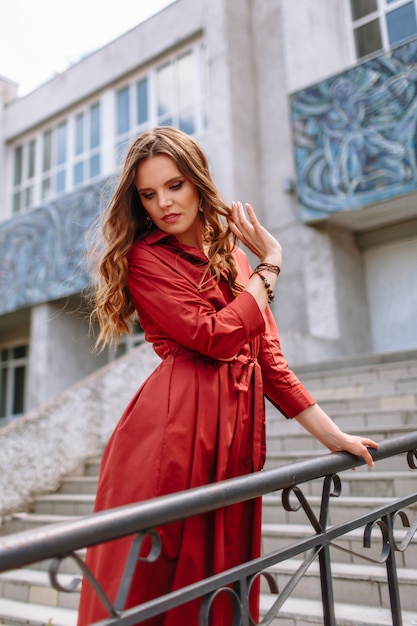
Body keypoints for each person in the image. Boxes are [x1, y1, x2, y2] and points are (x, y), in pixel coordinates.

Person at [77, 126, 378, 626]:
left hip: (231, 437)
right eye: (148, 195)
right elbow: (214, 336)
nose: (164, 204)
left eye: (175, 185)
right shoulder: (144, 258)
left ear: (197, 182)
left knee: (219, 587)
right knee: (155, 587)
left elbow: (269, 362)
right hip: (171, 435)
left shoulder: (237, 259)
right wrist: (272, 265)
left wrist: (334, 436)